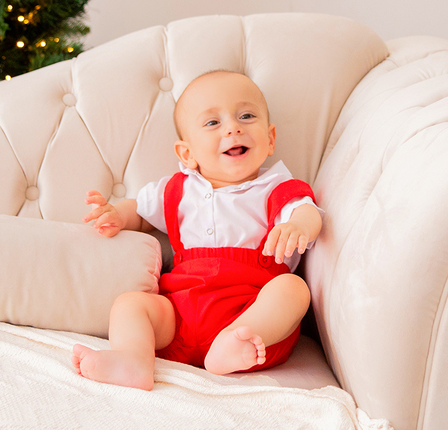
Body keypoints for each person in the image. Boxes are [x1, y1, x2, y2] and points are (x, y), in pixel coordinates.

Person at [71, 70, 322, 390]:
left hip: (250, 313)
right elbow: (140, 211)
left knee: (293, 289)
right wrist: (115, 214)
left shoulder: (274, 187)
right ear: (187, 154)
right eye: (213, 123)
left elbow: (306, 212)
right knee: (130, 304)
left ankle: (230, 345)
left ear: (270, 138)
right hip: (180, 314)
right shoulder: (177, 190)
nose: (233, 127)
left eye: (246, 116)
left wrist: (299, 226)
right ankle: (132, 359)